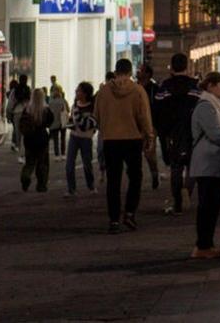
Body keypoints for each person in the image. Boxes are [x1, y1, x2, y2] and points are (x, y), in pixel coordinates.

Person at [95, 59, 155, 234]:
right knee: (135, 177)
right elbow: (143, 115)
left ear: (115, 71)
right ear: (130, 72)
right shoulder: (137, 90)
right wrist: (148, 134)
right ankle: (129, 212)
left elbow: (97, 116)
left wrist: (106, 128)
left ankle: (114, 220)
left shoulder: (104, 91)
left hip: (111, 139)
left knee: (113, 180)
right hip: (132, 138)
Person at [190, 72, 220, 259]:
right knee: (207, 205)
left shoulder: (215, 105)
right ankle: (202, 245)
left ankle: (207, 244)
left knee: (212, 205)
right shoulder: (206, 106)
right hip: (207, 162)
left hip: (215, 162)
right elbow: (215, 133)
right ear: (210, 86)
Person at [155, 53, 200, 214]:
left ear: (172, 67)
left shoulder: (165, 86)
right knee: (192, 167)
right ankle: (187, 191)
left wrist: (162, 132)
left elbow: (158, 110)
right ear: (187, 67)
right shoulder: (195, 86)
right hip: (192, 132)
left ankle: (178, 204)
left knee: (176, 168)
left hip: (172, 132)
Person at [65, 82, 98, 195]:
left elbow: (87, 125)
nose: (76, 92)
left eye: (78, 90)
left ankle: (91, 186)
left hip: (86, 138)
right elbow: (76, 122)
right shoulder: (75, 106)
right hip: (74, 136)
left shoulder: (92, 106)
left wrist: (79, 120)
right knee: (69, 164)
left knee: (87, 164)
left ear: (85, 93)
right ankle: (71, 189)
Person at [19, 89, 54, 192]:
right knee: (42, 163)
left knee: (29, 162)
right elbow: (50, 122)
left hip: (29, 139)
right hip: (42, 138)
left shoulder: (27, 109)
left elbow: (22, 123)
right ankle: (41, 185)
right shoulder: (46, 110)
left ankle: (25, 176)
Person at [136, 63, 161, 189]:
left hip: (150, 125)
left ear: (148, 74)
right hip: (135, 126)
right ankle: (136, 180)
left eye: (141, 71)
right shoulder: (133, 87)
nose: (138, 72)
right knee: (135, 154)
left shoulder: (154, 88)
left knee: (149, 153)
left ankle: (154, 173)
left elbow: (158, 107)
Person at [8, 75, 32, 162]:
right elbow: (30, 102)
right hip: (26, 113)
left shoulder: (15, 91)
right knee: (26, 134)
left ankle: (20, 154)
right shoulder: (28, 90)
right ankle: (25, 154)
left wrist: (9, 114)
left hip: (17, 113)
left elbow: (10, 104)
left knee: (18, 134)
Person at [48, 85, 70, 161]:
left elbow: (48, 112)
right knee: (62, 139)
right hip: (62, 122)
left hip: (54, 122)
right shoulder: (63, 101)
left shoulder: (51, 102)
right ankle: (63, 154)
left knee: (56, 140)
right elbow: (68, 110)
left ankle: (57, 155)